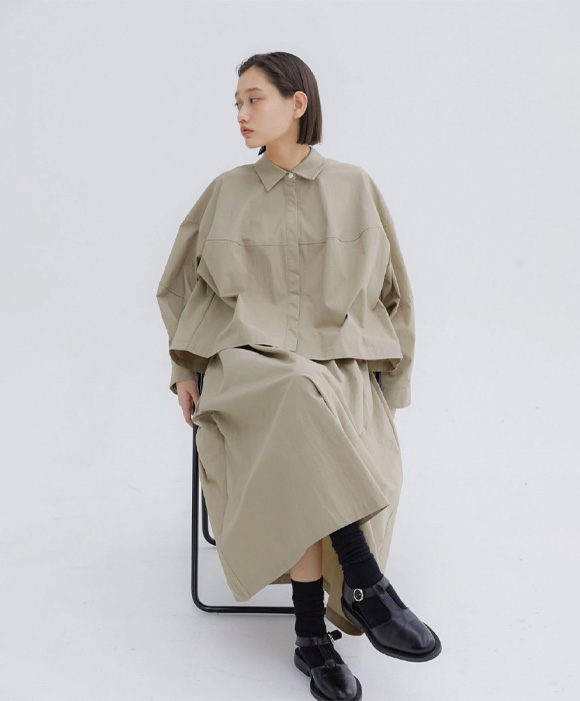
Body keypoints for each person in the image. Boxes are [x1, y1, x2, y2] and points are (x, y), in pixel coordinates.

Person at [157, 51, 441, 701]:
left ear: (298, 103)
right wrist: (183, 369)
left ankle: (311, 637)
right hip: (245, 366)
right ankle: (366, 584)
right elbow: (178, 286)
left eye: (253, 99)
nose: (241, 113)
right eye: (237, 103)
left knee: (307, 407)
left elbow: (395, 292)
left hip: (337, 362)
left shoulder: (354, 187)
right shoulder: (225, 192)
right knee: (293, 391)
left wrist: (393, 384)